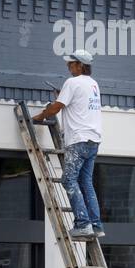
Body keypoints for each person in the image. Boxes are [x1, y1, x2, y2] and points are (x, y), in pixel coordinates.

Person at [32, 48, 103, 239]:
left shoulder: (72, 82)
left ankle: (83, 224)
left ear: (80, 65)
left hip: (78, 140)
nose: (68, 67)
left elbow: (56, 107)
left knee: (68, 180)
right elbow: (77, 102)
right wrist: (63, 94)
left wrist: (39, 116)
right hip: (93, 140)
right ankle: (96, 225)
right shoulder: (93, 84)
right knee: (86, 182)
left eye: (71, 64)